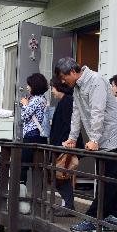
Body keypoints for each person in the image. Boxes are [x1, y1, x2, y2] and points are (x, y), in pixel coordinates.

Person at [54, 58, 117, 232]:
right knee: (110, 179)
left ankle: (93, 220)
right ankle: (113, 218)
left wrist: (94, 139)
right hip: (103, 141)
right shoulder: (78, 87)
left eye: (64, 78)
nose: (63, 82)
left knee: (108, 181)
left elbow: (98, 110)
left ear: (73, 72)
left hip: (113, 138)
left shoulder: (95, 80)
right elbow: (77, 113)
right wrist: (72, 138)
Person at [48, 78, 84, 215]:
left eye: (53, 88)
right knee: (61, 175)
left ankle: (68, 206)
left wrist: (68, 142)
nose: (52, 91)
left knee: (61, 175)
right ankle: (67, 204)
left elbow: (72, 125)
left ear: (59, 88)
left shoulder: (67, 101)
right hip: (62, 145)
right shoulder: (65, 101)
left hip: (65, 146)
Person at [19, 72, 49, 184]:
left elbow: (24, 116)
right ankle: (38, 196)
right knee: (38, 168)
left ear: (34, 86)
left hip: (31, 136)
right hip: (40, 136)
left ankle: (22, 196)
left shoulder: (35, 100)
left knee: (24, 165)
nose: (27, 87)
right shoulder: (43, 98)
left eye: (29, 85)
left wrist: (25, 104)